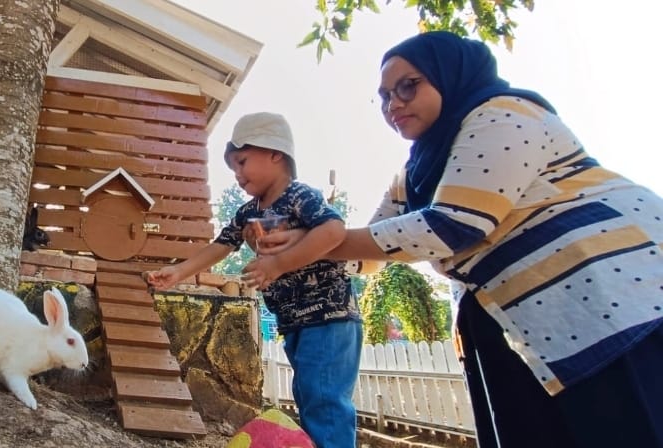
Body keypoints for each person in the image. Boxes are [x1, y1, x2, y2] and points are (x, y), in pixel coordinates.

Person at [257, 31, 663, 447]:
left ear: (449, 75)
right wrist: (303, 246)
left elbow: (454, 226)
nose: (393, 104)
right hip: (512, 321)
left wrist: (312, 242)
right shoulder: (415, 173)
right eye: (383, 96)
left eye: (407, 86)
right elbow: (371, 252)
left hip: (604, 302)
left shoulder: (503, 114)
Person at [144, 112, 363, 448]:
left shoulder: (300, 196)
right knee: (309, 396)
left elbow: (334, 230)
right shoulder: (248, 211)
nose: (238, 174)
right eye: (233, 168)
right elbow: (222, 244)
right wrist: (180, 271)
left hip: (329, 316)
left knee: (325, 400)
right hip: (294, 321)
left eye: (242, 162)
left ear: (275, 153)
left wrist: (277, 264)